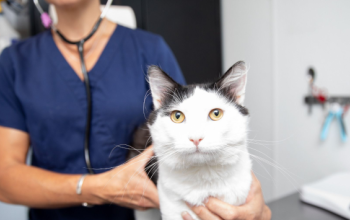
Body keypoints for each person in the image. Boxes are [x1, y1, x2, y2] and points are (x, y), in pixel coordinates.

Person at [0, 0, 271, 219]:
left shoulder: (149, 49)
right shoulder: (14, 63)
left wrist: (249, 200)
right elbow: (5, 179)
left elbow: (197, 128)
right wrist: (96, 189)